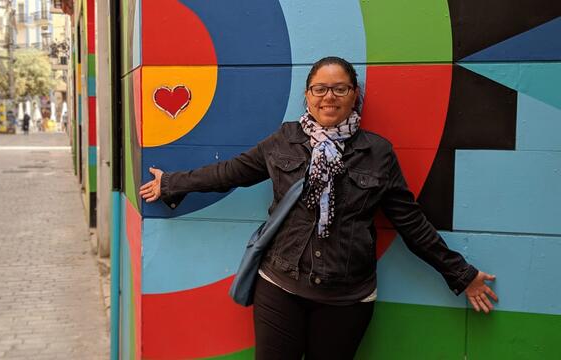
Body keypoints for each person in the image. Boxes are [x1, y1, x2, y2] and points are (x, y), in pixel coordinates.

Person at [140, 56, 498, 359]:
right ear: (308, 96)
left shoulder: (377, 153)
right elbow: (229, 172)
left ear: (354, 95)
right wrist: (172, 183)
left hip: (347, 297)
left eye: (340, 88)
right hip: (280, 285)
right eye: (320, 89)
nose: (330, 97)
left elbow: (410, 222)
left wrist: (460, 274)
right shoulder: (285, 140)